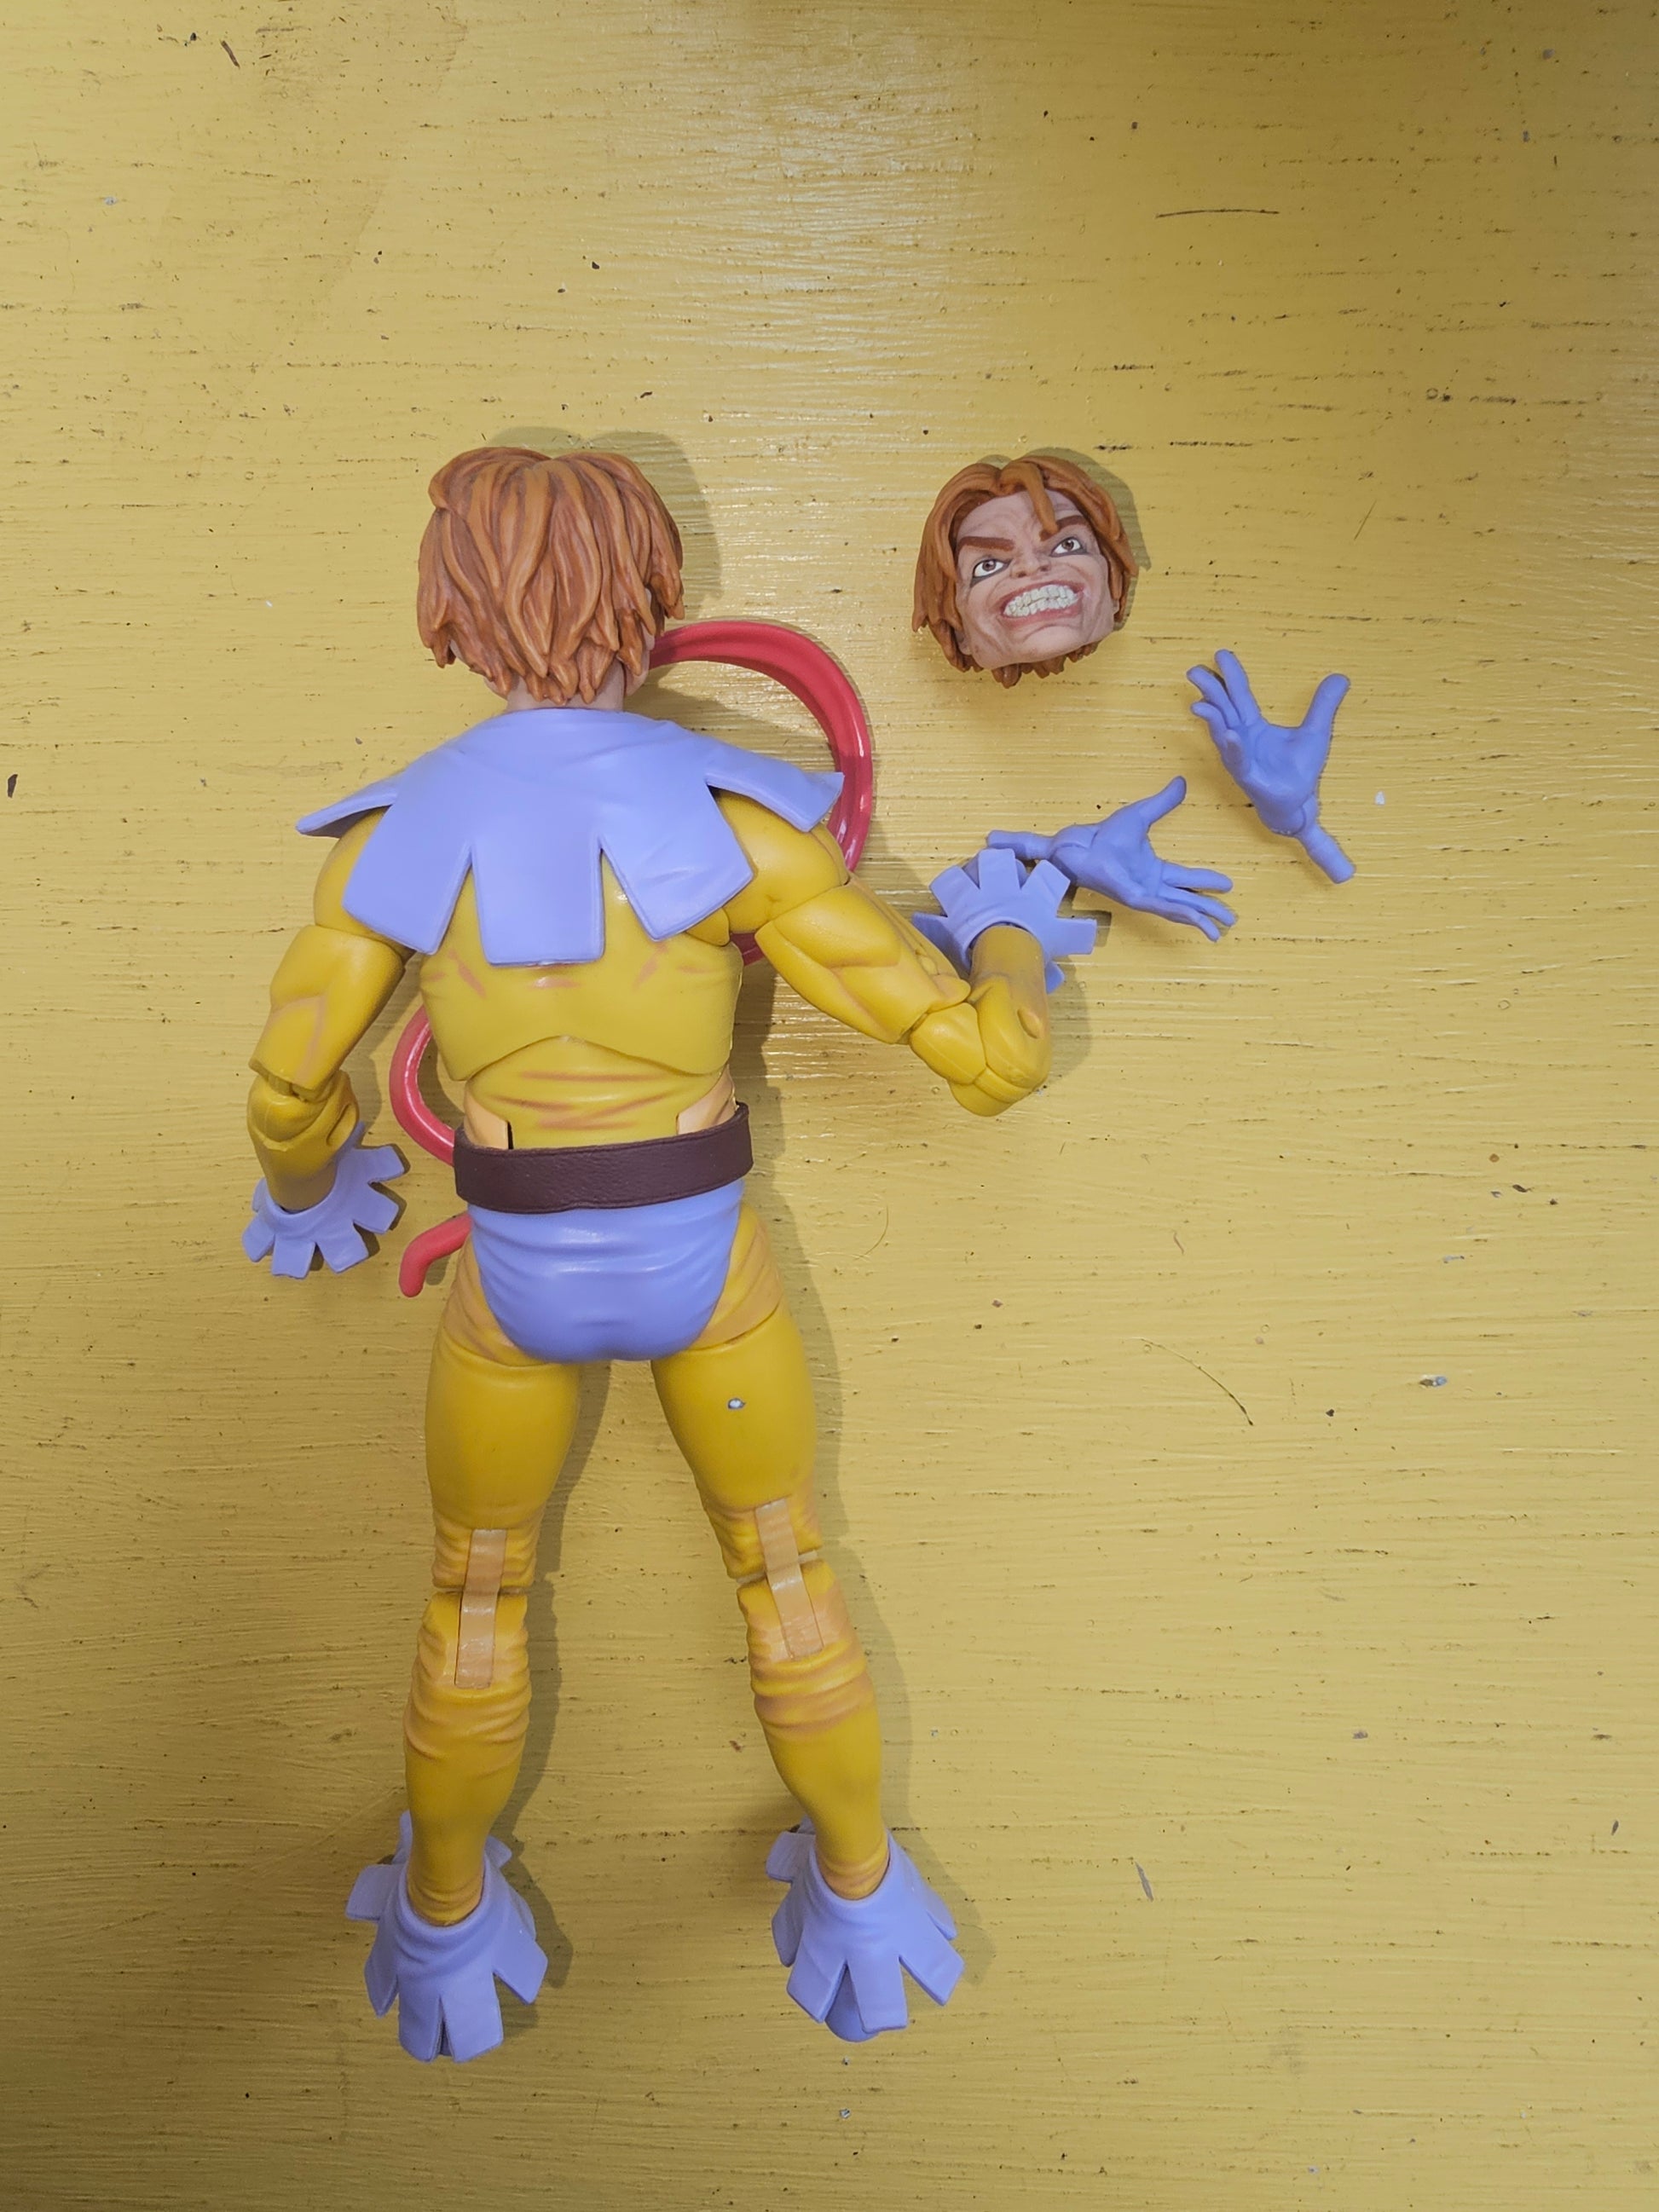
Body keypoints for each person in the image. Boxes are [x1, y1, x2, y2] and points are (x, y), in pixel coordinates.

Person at [242, 446, 1067, 2061]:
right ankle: (857, 1887)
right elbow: (990, 1064)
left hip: (513, 1266)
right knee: (785, 1569)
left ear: (448, 614)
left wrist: (307, 1191)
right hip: (703, 1259)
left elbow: (285, 1089)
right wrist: (1009, 932)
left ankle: (442, 1917)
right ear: (654, 597)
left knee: (476, 1591)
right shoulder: (737, 826)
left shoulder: (393, 838)